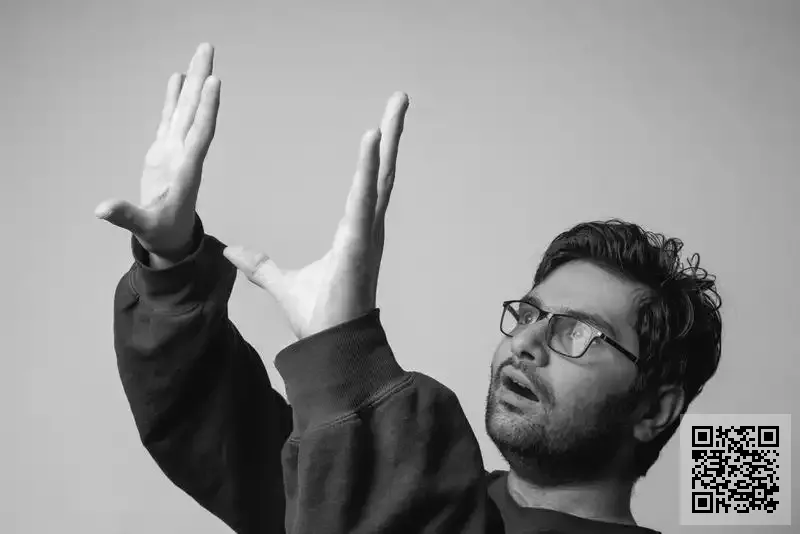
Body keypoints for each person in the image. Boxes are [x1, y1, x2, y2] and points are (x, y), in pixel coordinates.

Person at [96, 44, 722, 534]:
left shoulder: (397, 495)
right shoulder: (410, 488)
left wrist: (345, 359)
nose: (527, 342)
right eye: (530, 314)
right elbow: (221, 433)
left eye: (577, 332)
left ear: (655, 410)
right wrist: (172, 266)